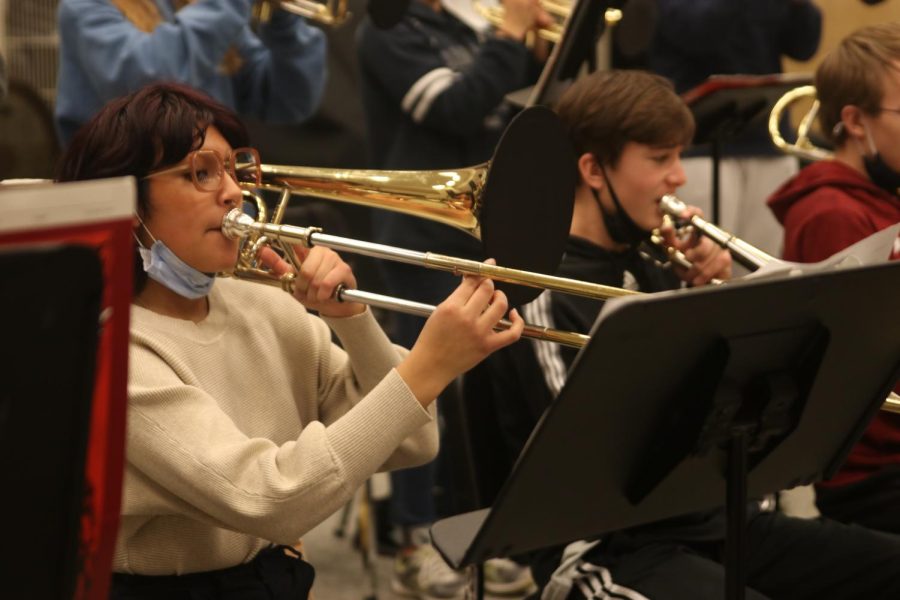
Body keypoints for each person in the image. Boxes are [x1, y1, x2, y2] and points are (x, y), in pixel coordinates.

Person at [54, 82, 523, 600]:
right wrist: (429, 364)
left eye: (234, 169)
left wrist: (351, 317)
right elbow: (270, 498)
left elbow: (413, 441)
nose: (233, 192)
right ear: (129, 203)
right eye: (201, 173)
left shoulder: (261, 303)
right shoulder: (116, 351)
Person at [469, 69, 900, 600]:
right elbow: (594, 466)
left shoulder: (651, 261)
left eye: (678, 157)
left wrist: (712, 298)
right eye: (659, 160)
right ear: (593, 170)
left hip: (709, 521)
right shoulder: (545, 291)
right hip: (603, 545)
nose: (679, 178)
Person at [355, 0, 548, 596]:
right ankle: (417, 541)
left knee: (487, 392)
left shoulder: (464, 27)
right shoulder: (389, 30)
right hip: (418, 235)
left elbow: (508, 110)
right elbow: (451, 106)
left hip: (482, 228)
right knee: (423, 386)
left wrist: (534, 52)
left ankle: (480, 534)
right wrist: (511, 34)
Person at [767, 22, 900, 534]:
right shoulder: (833, 215)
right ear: (854, 121)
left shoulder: (883, 197)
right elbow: (858, 367)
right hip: (873, 475)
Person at [648, 0, 822, 259]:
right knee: (700, 265)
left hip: (767, 142)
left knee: (762, 268)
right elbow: (699, 32)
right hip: (698, 150)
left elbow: (804, 45)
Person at [54, 0, 326, 146]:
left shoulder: (195, 6)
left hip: (218, 200)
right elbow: (150, 81)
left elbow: (288, 102)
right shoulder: (84, 5)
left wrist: (283, 23)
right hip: (134, 209)